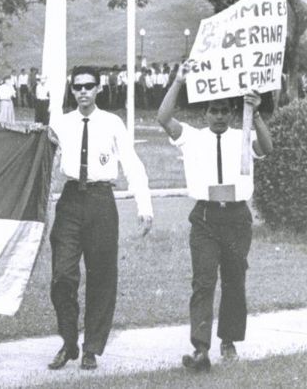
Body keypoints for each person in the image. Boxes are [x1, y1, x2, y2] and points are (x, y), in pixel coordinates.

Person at [157, 63, 273, 372]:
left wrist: (256, 112)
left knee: (234, 281)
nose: (219, 116)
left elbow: (267, 147)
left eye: (224, 110)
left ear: (232, 113)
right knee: (204, 281)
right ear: (205, 113)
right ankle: (200, 348)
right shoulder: (193, 137)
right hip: (205, 217)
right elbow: (164, 118)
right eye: (213, 110)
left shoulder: (243, 135)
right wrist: (179, 81)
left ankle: (229, 340)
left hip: (236, 217)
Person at [46, 66, 153, 371]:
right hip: (70, 201)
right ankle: (69, 342)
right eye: (77, 87)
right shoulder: (61, 123)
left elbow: (132, 163)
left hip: (101, 201)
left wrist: (144, 205)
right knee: (62, 275)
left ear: (98, 89)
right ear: (72, 90)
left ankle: (92, 347)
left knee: (102, 277)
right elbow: (45, 163)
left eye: (88, 86)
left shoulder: (112, 123)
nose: (82, 92)